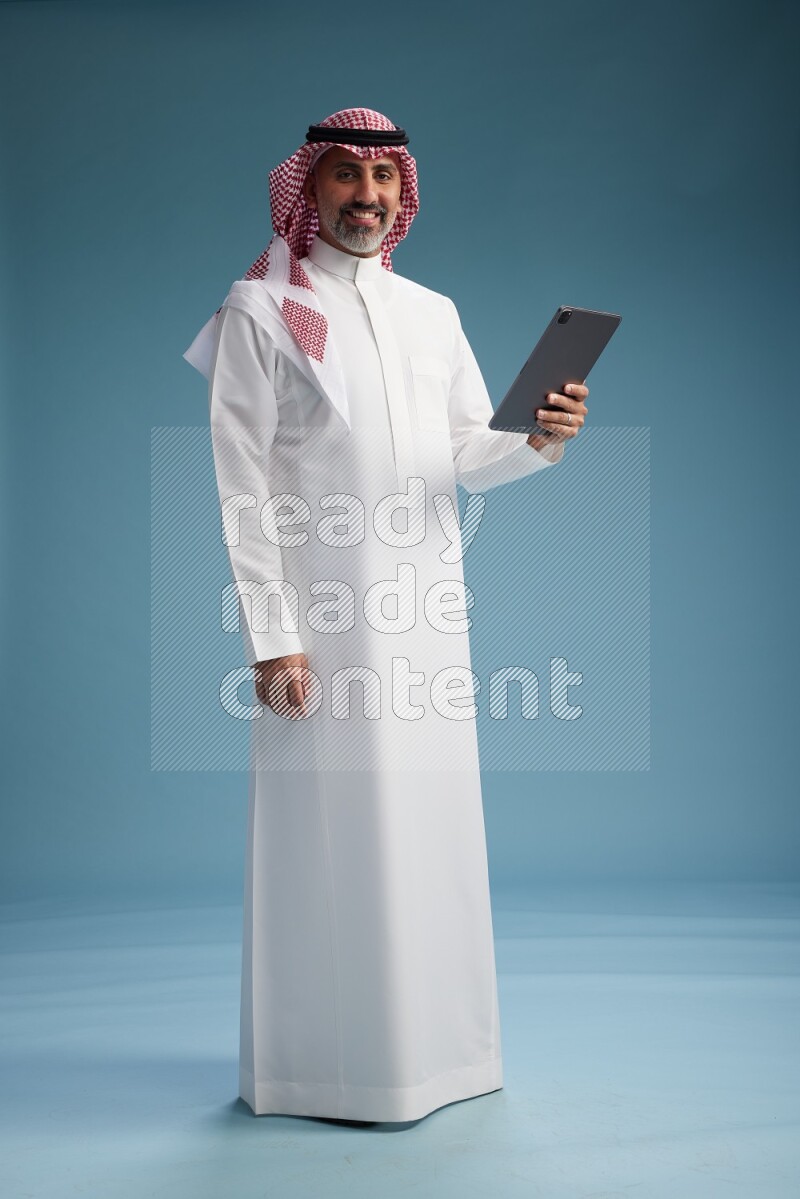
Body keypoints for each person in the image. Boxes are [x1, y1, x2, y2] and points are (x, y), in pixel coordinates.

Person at [183, 107, 588, 1125]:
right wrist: (271, 637)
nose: (367, 197)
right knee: (332, 836)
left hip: (426, 616)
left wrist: (539, 436)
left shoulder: (432, 312)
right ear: (307, 189)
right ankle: (322, 1068)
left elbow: (463, 452)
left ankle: (442, 1058)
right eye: (345, 178)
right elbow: (242, 491)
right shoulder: (257, 310)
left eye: (383, 180)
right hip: (324, 624)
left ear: (405, 194)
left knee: (430, 830)